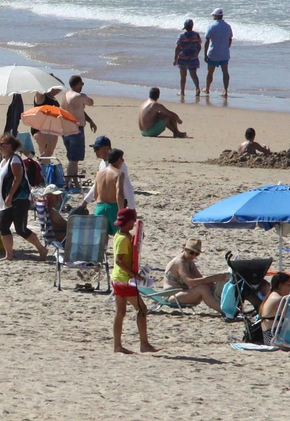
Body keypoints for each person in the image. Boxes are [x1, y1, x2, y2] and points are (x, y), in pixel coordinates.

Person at [110, 208, 156, 354]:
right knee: (142, 309)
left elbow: (132, 250)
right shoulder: (123, 239)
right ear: (129, 222)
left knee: (120, 312)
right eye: (133, 221)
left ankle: (117, 346)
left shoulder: (120, 235)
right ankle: (144, 344)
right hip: (125, 280)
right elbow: (119, 261)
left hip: (117, 278)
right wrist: (134, 275)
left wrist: (138, 238)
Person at [0, 134, 47, 261]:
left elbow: (17, 178)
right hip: (5, 200)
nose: (0, 147)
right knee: (3, 226)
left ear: (10, 146)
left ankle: (41, 249)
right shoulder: (3, 161)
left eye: (2, 144)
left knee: (21, 229)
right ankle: (9, 255)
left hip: (19, 199)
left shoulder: (15, 160)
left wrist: (10, 196)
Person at [165, 238, 227, 312]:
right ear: (185, 249)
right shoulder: (180, 262)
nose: (194, 256)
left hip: (182, 292)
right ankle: (224, 310)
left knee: (209, 284)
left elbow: (199, 278)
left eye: (197, 254)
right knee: (203, 289)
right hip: (172, 295)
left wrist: (213, 280)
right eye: (191, 252)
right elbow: (190, 282)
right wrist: (213, 278)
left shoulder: (189, 261)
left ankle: (226, 305)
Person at [59, 75, 97, 181]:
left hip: (65, 130)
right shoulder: (78, 96)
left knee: (73, 159)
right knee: (74, 159)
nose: (82, 86)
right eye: (82, 84)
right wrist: (83, 96)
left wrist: (90, 121)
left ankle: (75, 182)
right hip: (75, 130)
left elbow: (80, 111)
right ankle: (67, 182)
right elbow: (91, 102)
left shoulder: (65, 95)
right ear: (77, 84)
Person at [91, 136, 136, 209]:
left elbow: (126, 188)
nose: (94, 151)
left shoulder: (120, 166)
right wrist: (85, 202)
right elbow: (97, 186)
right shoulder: (102, 163)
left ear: (107, 148)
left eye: (97, 149)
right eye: (94, 149)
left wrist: (132, 207)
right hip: (106, 204)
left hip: (117, 204)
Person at [91, 150, 126, 232]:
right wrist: (121, 211)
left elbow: (95, 194)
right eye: (122, 159)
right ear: (119, 159)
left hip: (100, 207)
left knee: (100, 236)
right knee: (120, 234)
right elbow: (119, 193)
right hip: (113, 207)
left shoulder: (99, 173)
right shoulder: (119, 174)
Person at [203, 8, 233, 97]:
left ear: (216, 16)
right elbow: (230, 39)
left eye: (213, 15)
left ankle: (207, 89)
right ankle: (225, 90)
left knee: (210, 72)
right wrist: (226, 48)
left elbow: (207, 40)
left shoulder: (211, 26)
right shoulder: (227, 26)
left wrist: (205, 54)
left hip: (213, 53)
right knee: (225, 72)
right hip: (224, 53)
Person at [173, 19, 202, 98]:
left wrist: (175, 59)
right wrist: (196, 54)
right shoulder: (196, 35)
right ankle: (197, 88)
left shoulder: (182, 35)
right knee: (194, 75)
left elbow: (177, 47)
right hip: (193, 58)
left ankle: (182, 91)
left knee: (183, 76)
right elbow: (199, 46)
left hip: (183, 58)